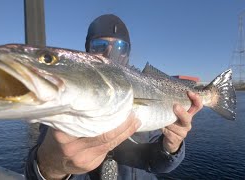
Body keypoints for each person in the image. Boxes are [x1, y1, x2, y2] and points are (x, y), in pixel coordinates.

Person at [25, 14, 203, 180]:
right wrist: (51, 168)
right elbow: (40, 164)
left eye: (120, 47)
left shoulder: (146, 89)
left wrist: (172, 146)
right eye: (99, 46)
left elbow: (158, 165)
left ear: (127, 53)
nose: (109, 53)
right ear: (87, 50)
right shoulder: (66, 100)